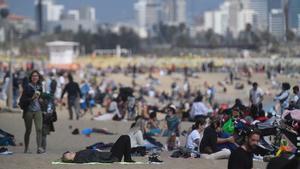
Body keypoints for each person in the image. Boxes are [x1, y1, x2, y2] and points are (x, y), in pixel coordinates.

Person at [61, 135, 135, 163]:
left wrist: (96, 150)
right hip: (112, 157)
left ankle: (127, 158)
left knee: (123, 138)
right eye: (69, 155)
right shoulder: (79, 158)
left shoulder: (78, 154)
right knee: (125, 138)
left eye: (69, 153)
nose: (71, 153)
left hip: (109, 154)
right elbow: (91, 157)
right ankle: (127, 159)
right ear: (71, 160)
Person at [20, 70, 44, 154]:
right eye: (33, 76)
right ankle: (26, 148)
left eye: (36, 76)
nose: (35, 77)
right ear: (31, 77)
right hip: (28, 111)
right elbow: (22, 100)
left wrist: (41, 100)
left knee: (39, 129)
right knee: (28, 130)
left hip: (38, 110)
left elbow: (41, 97)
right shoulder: (27, 87)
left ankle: (39, 148)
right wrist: (32, 98)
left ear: (38, 77)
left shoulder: (39, 86)